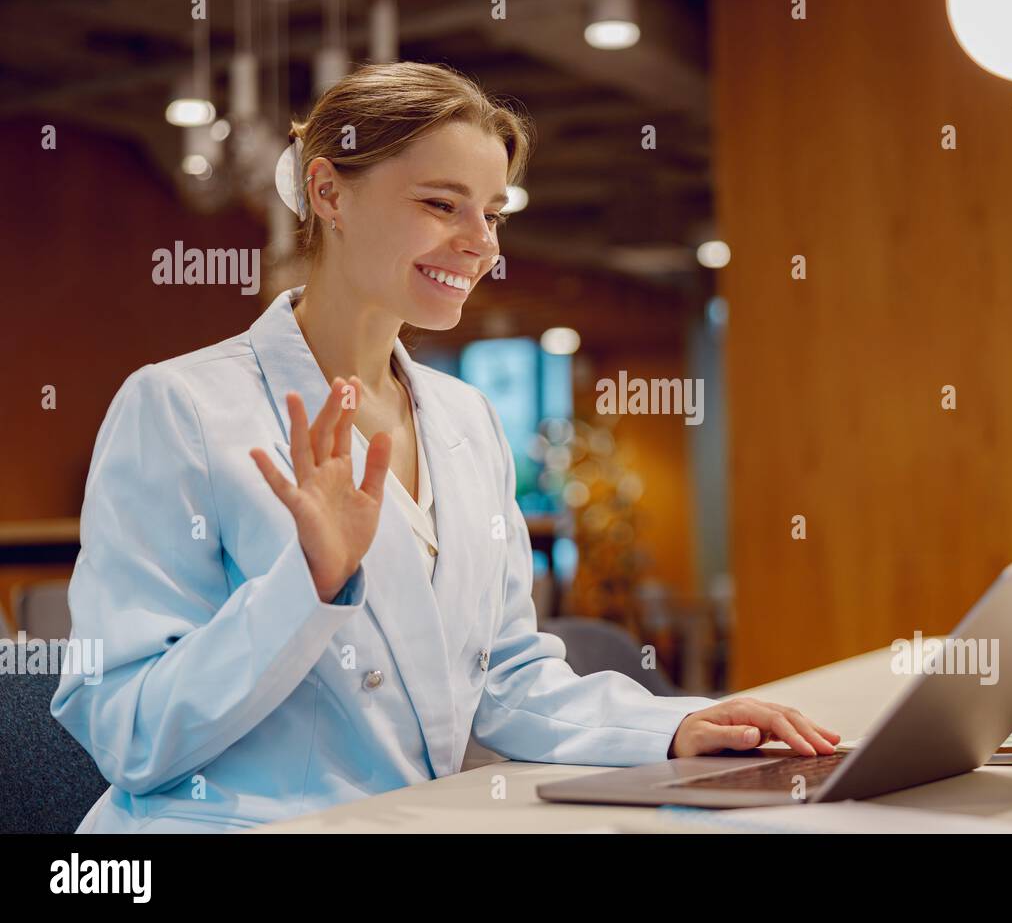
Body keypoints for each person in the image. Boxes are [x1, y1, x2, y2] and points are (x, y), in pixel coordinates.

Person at [52, 61, 839, 832]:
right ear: (329, 193)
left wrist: (671, 728)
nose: (482, 245)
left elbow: (504, 678)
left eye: (493, 213)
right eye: (441, 204)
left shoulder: (468, 420)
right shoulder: (180, 406)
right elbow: (127, 732)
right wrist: (308, 587)